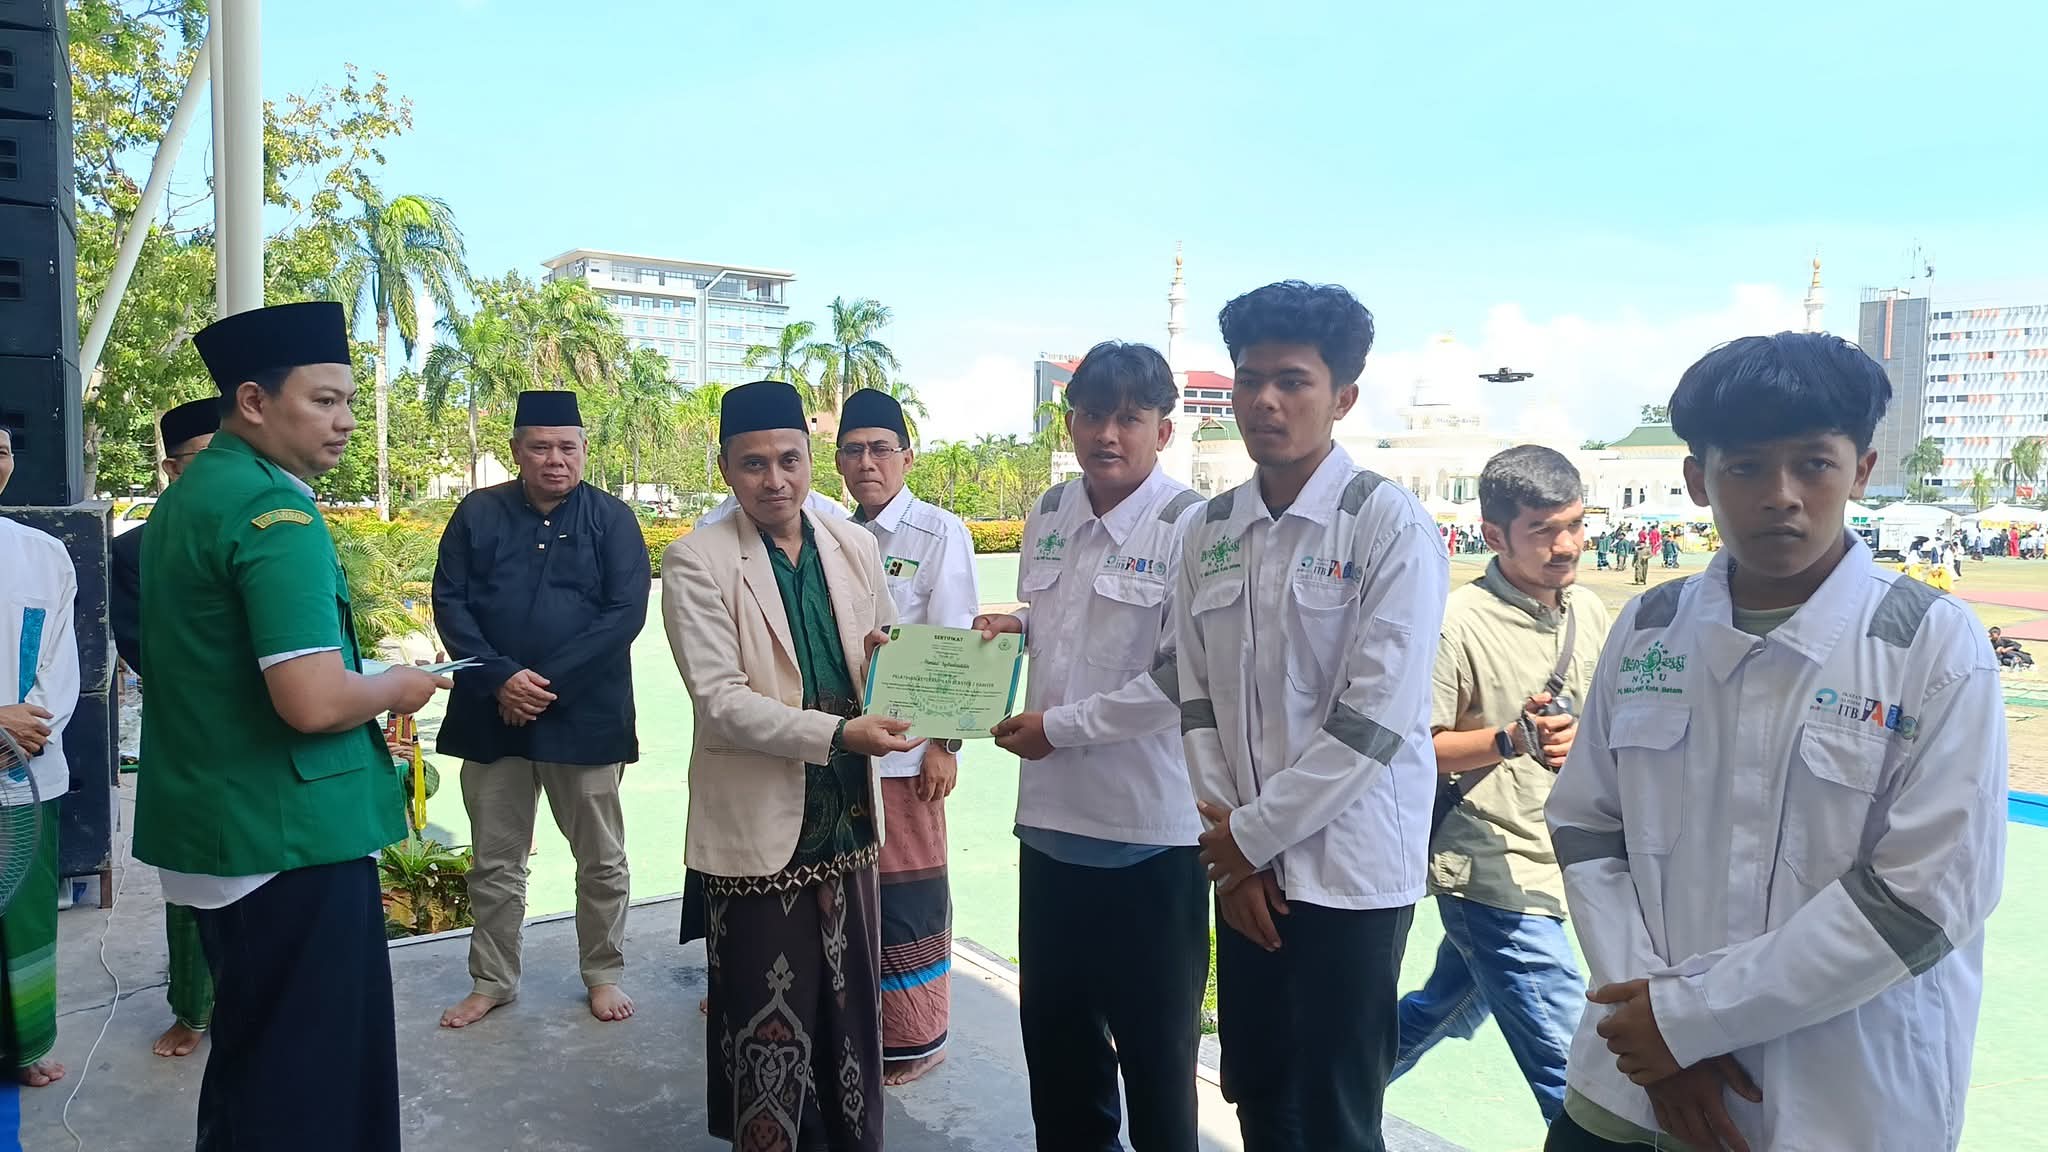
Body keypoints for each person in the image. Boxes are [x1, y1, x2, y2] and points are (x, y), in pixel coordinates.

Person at [1544, 332, 2007, 1152]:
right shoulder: (1648, 629)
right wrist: (1652, 1023)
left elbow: (1927, 897)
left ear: (1861, 470)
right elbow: (1587, 827)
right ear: (1698, 480)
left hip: (1837, 1105)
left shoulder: (1930, 644)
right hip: (1631, 1088)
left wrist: (1688, 1020)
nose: (1781, 495)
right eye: (1747, 467)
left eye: (1814, 463)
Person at [133, 302, 450, 1151]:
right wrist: (398, 685)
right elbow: (310, 701)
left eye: (348, 401)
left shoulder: (192, 497)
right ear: (253, 400)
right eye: (323, 400)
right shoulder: (275, 513)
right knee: (313, 1088)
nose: (344, 421)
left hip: (222, 822)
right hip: (288, 835)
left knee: (257, 1066)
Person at [1177, 281, 1448, 1151]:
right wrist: (1237, 855)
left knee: (1337, 1108)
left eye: (1292, 380)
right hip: (1244, 867)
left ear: (1343, 397)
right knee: (1258, 1088)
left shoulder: (1387, 525)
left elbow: (1373, 722)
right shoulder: (1209, 530)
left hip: (1351, 875)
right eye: (1249, 379)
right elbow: (1196, 697)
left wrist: (1248, 839)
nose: (1266, 400)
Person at [660, 379, 914, 1152]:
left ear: (811, 459)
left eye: (789, 460)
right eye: (754, 464)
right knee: (768, 1025)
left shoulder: (853, 545)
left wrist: (889, 665)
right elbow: (721, 703)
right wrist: (840, 735)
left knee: (850, 1019)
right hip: (761, 830)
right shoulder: (697, 560)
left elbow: (884, 646)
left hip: (850, 823)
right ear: (725, 469)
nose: (775, 480)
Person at [973, 341, 1207, 1151]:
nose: (1108, 433)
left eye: (1130, 418)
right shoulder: (1049, 511)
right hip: (1050, 829)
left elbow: (1183, 677)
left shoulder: (1192, 527)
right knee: (1060, 1054)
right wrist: (1015, 626)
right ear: (1070, 423)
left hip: (1150, 838)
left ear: (1163, 431)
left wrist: (1060, 729)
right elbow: (1062, 621)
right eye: (1093, 415)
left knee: (1159, 1060)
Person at [1392, 446, 1609, 1123]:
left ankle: (1313, 1103)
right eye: (1543, 530)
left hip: (1559, 863)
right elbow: (1413, 750)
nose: (1565, 545)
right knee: (1577, 1080)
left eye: (1575, 524)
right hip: (1489, 869)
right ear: (1494, 534)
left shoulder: (1590, 612)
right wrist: (1511, 739)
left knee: (1439, 1009)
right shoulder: (1455, 623)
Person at [432, 390, 648, 1030]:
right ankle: (492, 980)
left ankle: (603, 973)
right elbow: (451, 602)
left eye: (567, 447)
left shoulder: (612, 519)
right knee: (495, 860)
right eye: (541, 447)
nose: (556, 459)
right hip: (490, 713)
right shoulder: (478, 513)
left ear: (584, 449)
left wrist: (538, 686)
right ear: (516, 451)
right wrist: (500, 678)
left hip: (585, 716)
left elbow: (624, 615)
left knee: (601, 858)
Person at [833, 387, 980, 1085]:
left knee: (912, 895)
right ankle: (860, 1024)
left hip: (909, 756)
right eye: (853, 450)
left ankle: (917, 1039)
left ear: (906, 457)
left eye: (880, 449)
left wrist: (945, 746)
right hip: (847, 748)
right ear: (838, 462)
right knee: (855, 896)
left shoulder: (938, 534)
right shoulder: (835, 535)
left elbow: (959, 643)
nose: (867, 462)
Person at [107, 397, 220, 1059]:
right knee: (192, 874)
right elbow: (140, 643)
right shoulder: (134, 550)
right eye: (204, 458)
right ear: (172, 469)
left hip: (272, 731)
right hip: (190, 731)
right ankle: (193, 1007)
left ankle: (259, 1001)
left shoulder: (267, 529)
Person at [0, 426, 79, 1090]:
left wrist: (16, 735)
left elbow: (60, 666)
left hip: (25, 773)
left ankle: (27, 1044)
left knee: (24, 917)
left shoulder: (44, 553)